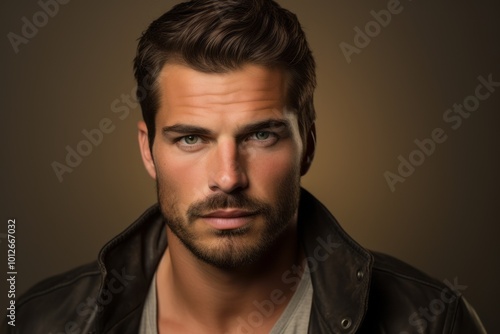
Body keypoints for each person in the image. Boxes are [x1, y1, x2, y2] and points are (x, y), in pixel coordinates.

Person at [5, 0, 486, 333]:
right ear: (148, 150)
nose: (229, 177)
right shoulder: (37, 321)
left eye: (261, 135)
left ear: (309, 144)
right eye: (191, 138)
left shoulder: (429, 321)